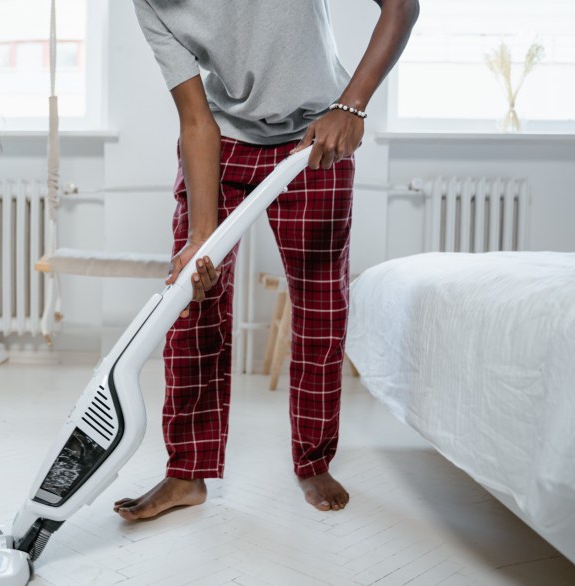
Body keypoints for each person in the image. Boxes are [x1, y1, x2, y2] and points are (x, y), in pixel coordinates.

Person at [114, 0, 420, 519]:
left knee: (321, 309)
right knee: (194, 300)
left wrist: (351, 105)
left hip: (315, 138)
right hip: (224, 141)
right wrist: (203, 238)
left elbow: (401, 6)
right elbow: (195, 117)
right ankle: (186, 474)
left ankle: (313, 461)